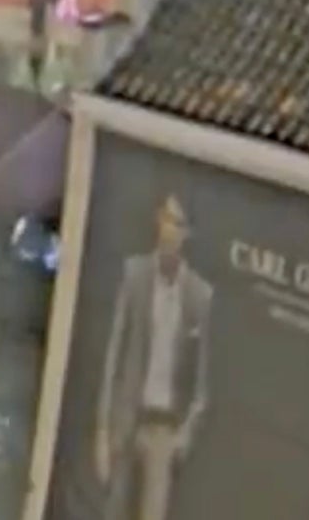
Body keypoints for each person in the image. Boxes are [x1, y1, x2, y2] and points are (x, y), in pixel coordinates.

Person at [93, 193, 212, 520]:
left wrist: (184, 433)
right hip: (127, 416)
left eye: (176, 223)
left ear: (187, 233)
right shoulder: (135, 274)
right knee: (113, 510)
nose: (168, 230)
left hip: (164, 429)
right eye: (164, 219)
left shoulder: (199, 296)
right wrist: (103, 430)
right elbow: (114, 356)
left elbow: (202, 382)